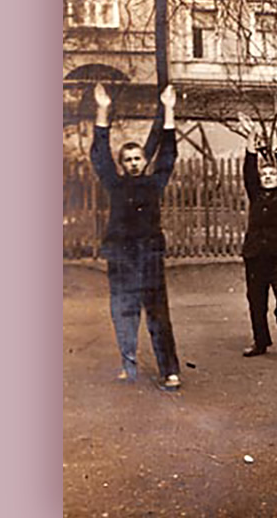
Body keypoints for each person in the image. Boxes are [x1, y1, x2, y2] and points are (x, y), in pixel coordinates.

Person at [90, 83, 181, 390]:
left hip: (150, 256)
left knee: (158, 314)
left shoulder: (155, 183)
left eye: (137, 158)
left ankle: (170, 370)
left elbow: (168, 153)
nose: (133, 163)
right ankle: (128, 365)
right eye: (127, 159)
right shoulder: (114, 184)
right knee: (123, 312)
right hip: (121, 256)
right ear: (122, 164)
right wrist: (102, 110)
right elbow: (99, 155)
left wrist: (169, 109)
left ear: (144, 161)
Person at [237, 111, 277, 366]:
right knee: (256, 302)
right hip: (254, 256)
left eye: (271, 175)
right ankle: (260, 341)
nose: (267, 177)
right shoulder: (255, 194)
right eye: (264, 175)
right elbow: (248, 170)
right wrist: (251, 136)